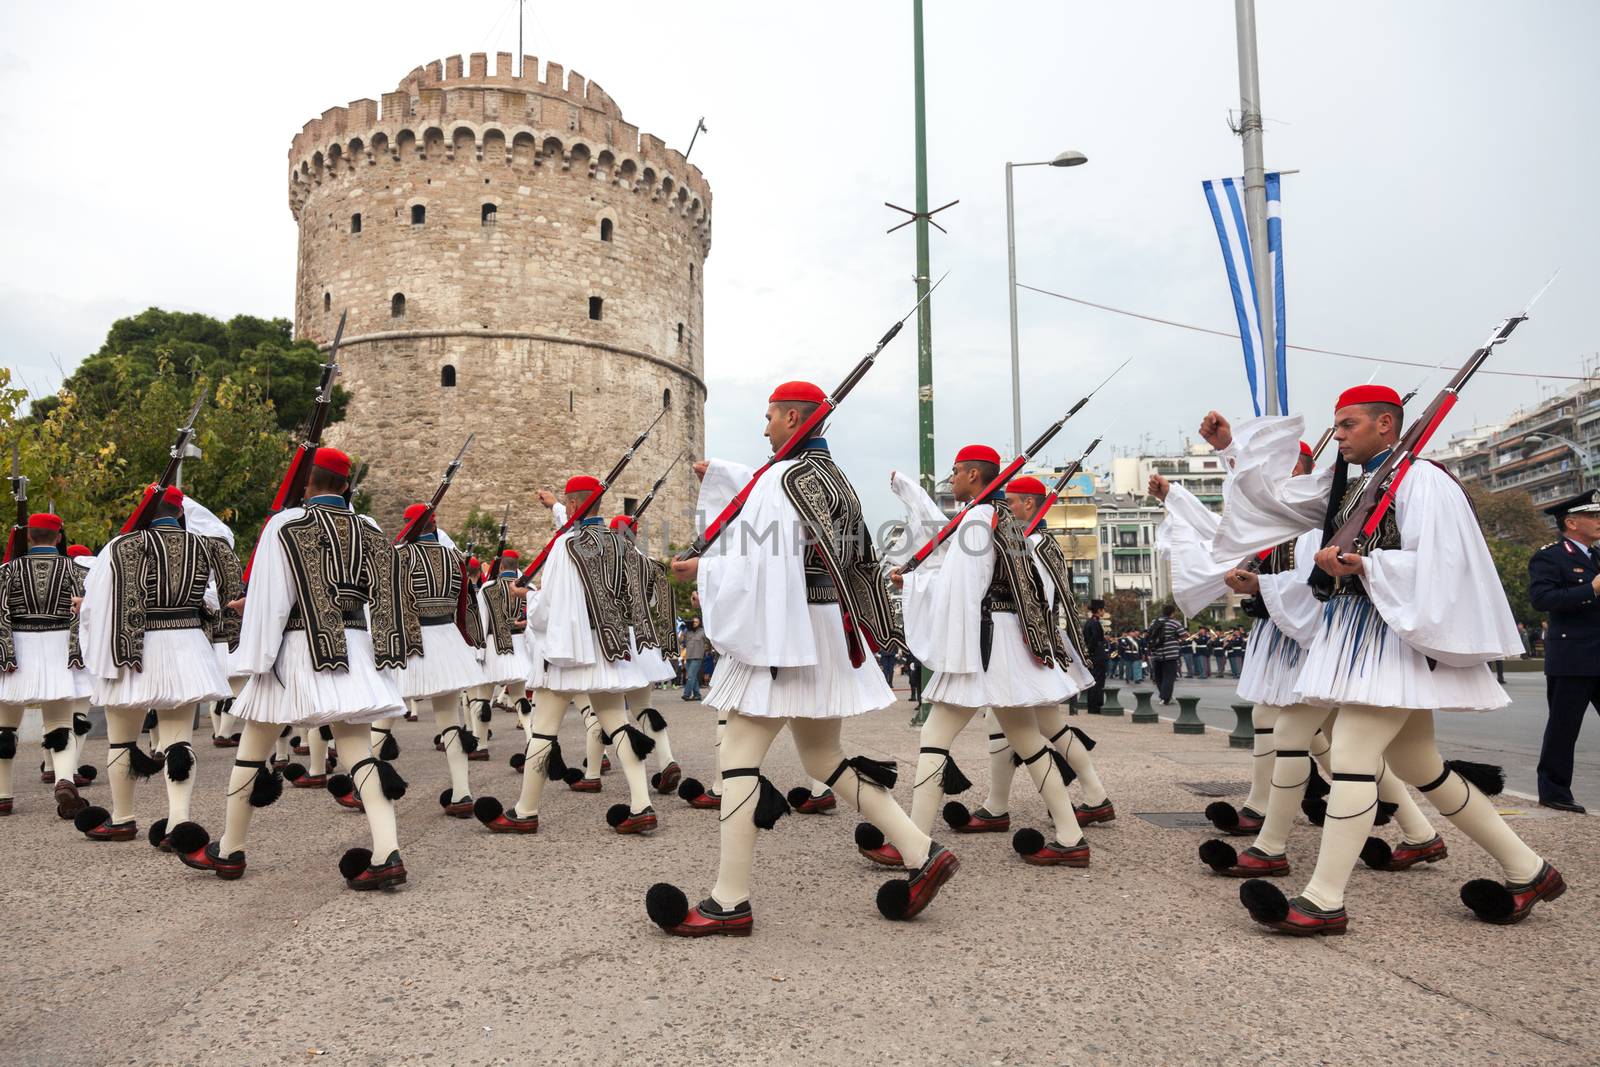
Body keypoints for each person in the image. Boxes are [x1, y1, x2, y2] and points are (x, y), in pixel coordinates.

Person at [1204, 391, 1564, 934]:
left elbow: (1439, 563)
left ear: (1386, 424)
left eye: (1348, 424)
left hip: (1393, 637)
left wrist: (1366, 565)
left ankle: (1324, 899)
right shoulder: (1350, 488)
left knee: (1350, 752)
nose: (1340, 435)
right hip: (1360, 635)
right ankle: (1529, 869)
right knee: (1420, 765)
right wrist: (1231, 448)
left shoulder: (1423, 481)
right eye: (1337, 426)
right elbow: (1275, 506)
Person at [646, 380, 957, 936]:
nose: (763, 428)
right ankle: (920, 849)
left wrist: (704, 570)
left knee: (738, 755)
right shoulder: (833, 479)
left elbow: (760, 561)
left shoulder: (785, 479)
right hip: (825, 631)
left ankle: (729, 900)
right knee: (821, 760)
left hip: (785, 632)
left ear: (793, 418)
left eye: (769, 418)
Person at [172, 448, 412, 888]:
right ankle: (386, 851)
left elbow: (273, 597)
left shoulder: (285, 525)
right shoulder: (371, 529)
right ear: (345, 486)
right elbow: (388, 596)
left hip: (298, 651)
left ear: (307, 484)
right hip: (356, 647)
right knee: (358, 752)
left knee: (251, 751)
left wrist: (255, 660)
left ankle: (230, 850)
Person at [888, 445, 1093, 867]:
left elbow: (961, 588)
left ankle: (913, 842)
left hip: (981, 643)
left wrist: (909, 587)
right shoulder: (1003, 519)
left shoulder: (980, 520)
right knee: (1030, 742)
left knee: (934, 738)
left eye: (957, 472)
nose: (952, 478)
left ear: (974, 476)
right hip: (1004, 641)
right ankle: (1071, 837)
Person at [943, 474, 1114, 834]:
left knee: (1047, 727)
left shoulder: (1033, 543)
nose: (1009, 508)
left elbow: (1035, 599)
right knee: (1016, 723)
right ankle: (1000, 805)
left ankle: (1090, 800)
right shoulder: (1038, 542)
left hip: (1032, 644)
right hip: (1037, 643)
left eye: (1015, 503)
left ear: (1030, 505)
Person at [77, 487, 233, 844]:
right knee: (179, 739)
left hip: (135, 648)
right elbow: (215, 597)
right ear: (181, 514)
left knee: (121, 741)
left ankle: (123, 818)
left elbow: (95, 605)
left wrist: (96, 651)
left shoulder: (121, 545)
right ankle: (179, 823)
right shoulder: (204, 546)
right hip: (187, 644)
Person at [0, 513, 93, 819]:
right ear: (57, 538)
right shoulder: (75, 569)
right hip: (59, 647)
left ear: (28, 538)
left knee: (5, 728)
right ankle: (65, 781)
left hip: (18, 647)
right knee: (60, 723)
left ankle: (3, 794)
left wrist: (5, 653)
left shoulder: (8, 571)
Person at [1528, 489, 1600, 813]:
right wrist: (1590, 590)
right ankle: (1554, 791)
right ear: (1571, 522)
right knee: (1563, 728)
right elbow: (1543, 600)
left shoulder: (1597, 557)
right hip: (1572, 656)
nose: (1599, 521)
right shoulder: (1550, 557)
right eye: (1593, 516)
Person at [1146, 604, 1185, 704]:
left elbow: (1148, 634)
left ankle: (1164, 696)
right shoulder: (1174, 623)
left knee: (1159, 676)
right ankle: (1165, 698)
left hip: (1157, 653)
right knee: (1169, 677)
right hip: (1170, 654)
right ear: (1172, 613)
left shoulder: (1154, 621)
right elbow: (1184, 635)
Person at [1082, 600, 1108, 713]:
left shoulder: (1088, 622)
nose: (1104, 611)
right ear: (1099, 610)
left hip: (1092, 655)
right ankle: (1096, 705)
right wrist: (1093, 652)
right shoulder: (1095, 623)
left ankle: (1092, 705)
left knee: (1093, 680)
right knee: (1098, 681)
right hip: (1097, 656)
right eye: (1103, 609)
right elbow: (1094, 640)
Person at [681, 617, 706, 701]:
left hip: (697, 656)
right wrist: (683, 629)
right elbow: (680, 640)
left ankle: (686, 694)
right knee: (693, 677)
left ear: (699, 623)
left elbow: (710, 641)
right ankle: (697, 695)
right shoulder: (687, 631)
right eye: (693, 621)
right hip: (688, 657)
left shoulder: (703, 631)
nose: (695, 623)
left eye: (696, 622)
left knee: (690, 676)